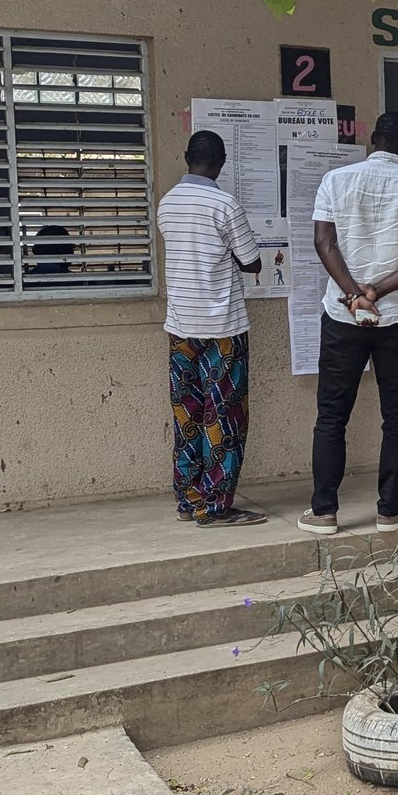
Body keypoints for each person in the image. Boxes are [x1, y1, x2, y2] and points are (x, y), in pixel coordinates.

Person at [300, 111, 398, 536]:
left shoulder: (336, 181)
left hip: (342, 316)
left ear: (372, 138)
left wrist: (353, 294)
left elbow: (323, 242)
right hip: (397, 317)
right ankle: (389, 511)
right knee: (397, 416)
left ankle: (324, 512)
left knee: (331, 416)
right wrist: (376, 293)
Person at [155, 130, 267, 528]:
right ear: (221, 163)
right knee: (224, 418)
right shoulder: (224, 204)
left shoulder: (166, 203)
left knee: (187, 413)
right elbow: (252, 262)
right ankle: (216, 506)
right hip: (222, 329)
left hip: (181, 328)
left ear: (187, 157)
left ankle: (188, 499)